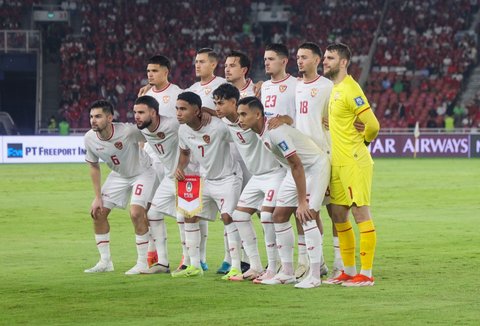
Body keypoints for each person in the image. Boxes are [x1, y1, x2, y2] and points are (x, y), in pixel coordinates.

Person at [237, 97, 330, 289]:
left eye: (244, 114)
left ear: (257, 114)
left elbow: (297, 163)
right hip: (293, 170)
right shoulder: (263, 126)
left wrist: (302, 201)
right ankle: (287, 272)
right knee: (278, 216)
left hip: (313, 167)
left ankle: (314, 275)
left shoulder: (275, 132)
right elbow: (284, 119)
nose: (240, 119)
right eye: (239, 114)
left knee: (307, 215)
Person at [213, 83, 286, 281]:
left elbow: (269, 116)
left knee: (266, 217)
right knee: (238, 216)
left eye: (220, 103)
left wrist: (285, 118)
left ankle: (273, 265)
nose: (217, 107)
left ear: (234, 103)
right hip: (257, 176)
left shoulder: (251, 118)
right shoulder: (228, 123)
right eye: (215, 103)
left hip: (274, 173)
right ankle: (255, 265)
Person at [322, 43, 380, 287]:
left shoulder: (350, 88)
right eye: (324, 57)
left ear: (343, 62)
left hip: (355, 161)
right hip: (338, 162)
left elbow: (373, 125)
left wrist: (363, 141)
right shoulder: (333, 89)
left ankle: (365, 274)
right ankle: (347, 270)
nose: (325, 61)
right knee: (337, 214)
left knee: (359, 213)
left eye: (330, 58)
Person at [173, 91, 243, 278]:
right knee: (190, 215)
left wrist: (212, 112)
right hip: (206, 180)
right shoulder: (183, 130)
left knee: (228, 217)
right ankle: (194, 265)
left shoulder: (219, 127)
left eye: (183, 109)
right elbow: (185, 154)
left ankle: (235, 266)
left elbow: (239, 130)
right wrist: (180, 167)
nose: (178, 113)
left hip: (229, 178)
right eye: (177, 109)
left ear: (197, 110)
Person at [83, 100, 157, 275]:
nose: (93, 120)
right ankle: (105, 262)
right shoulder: (89, 138)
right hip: (119, 175)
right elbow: (93, 166)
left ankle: (142, 263)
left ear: (110, 118)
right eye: (91, 117)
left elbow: (151, 134)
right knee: (98, 213)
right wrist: (97, 197)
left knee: (137, 213)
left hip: (142, 172)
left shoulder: (127, 131)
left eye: (98, 116)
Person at [295, 42, 344, 278]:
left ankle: (340, 263)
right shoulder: (294, 87)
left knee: (335, 211)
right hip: (302, 159)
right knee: (306, 211)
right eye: (298, 57)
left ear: (316, 60)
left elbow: (343, 114)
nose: (300, 60)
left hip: (327, 154)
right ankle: (317, 261)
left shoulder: (328, 87)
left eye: (304, 57)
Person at [141, 55, 183, 268]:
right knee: (149, 205)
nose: (150, 74)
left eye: (155, 70)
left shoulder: (176, 94)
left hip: (173, 158)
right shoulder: (146, 93)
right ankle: (153, 251)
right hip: (151, 156)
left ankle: (191, 256)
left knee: (184, 208)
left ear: (166, 72)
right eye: (148, 70)